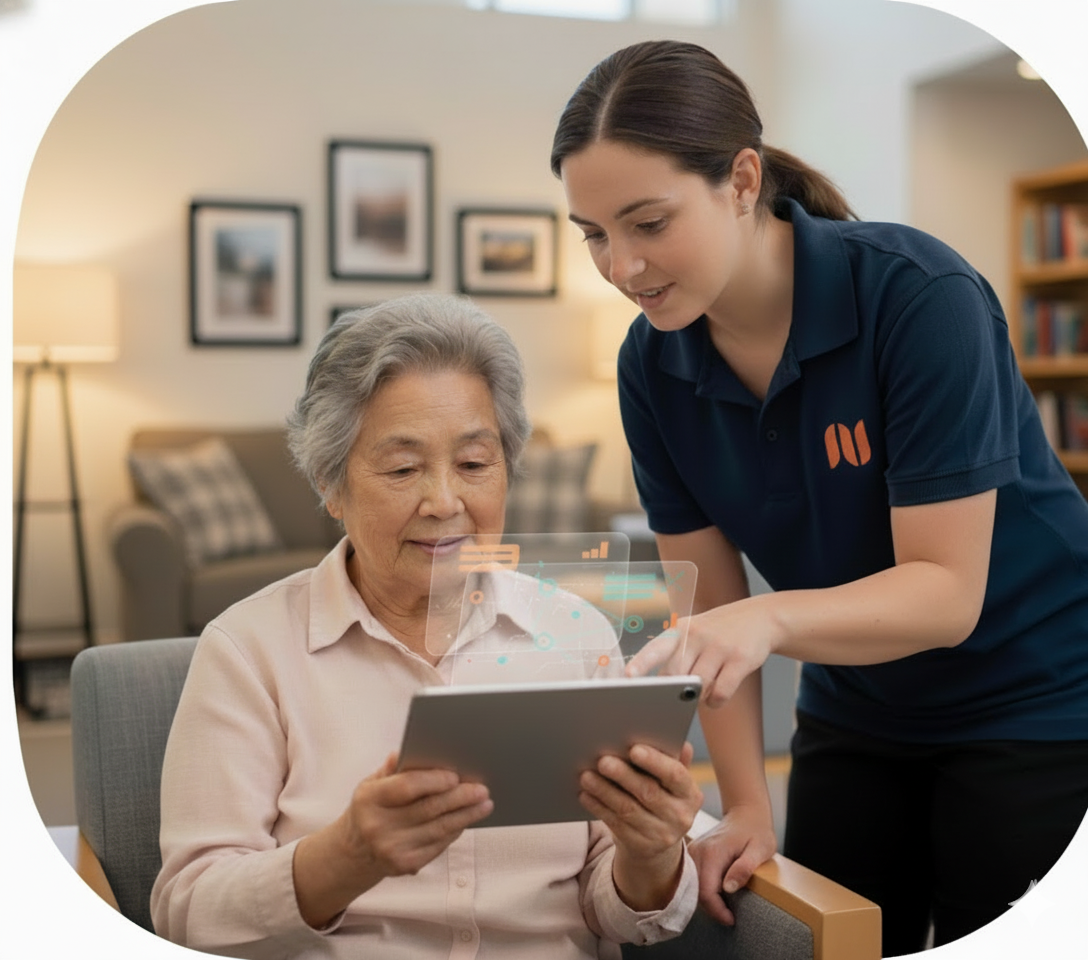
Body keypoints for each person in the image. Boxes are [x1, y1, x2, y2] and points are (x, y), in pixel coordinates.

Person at [551, 39, 1088, 956]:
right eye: (595, 233)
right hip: (856, 704)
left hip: (1032, 696)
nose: (623, 267)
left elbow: (945, 596)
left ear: (743, 180)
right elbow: (709, 607)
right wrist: (748, 803)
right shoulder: (652, 364)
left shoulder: (920, 299)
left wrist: (766, 623)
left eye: (648, 223)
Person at [149, 293, 703, 959]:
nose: (444, 502)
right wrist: (346, 856)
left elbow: (613, 908)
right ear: (331, 483)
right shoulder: (250, 651)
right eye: (404, 468)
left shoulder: (577, 632)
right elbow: (186, 913)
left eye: (473, 464)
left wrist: (652, 854)